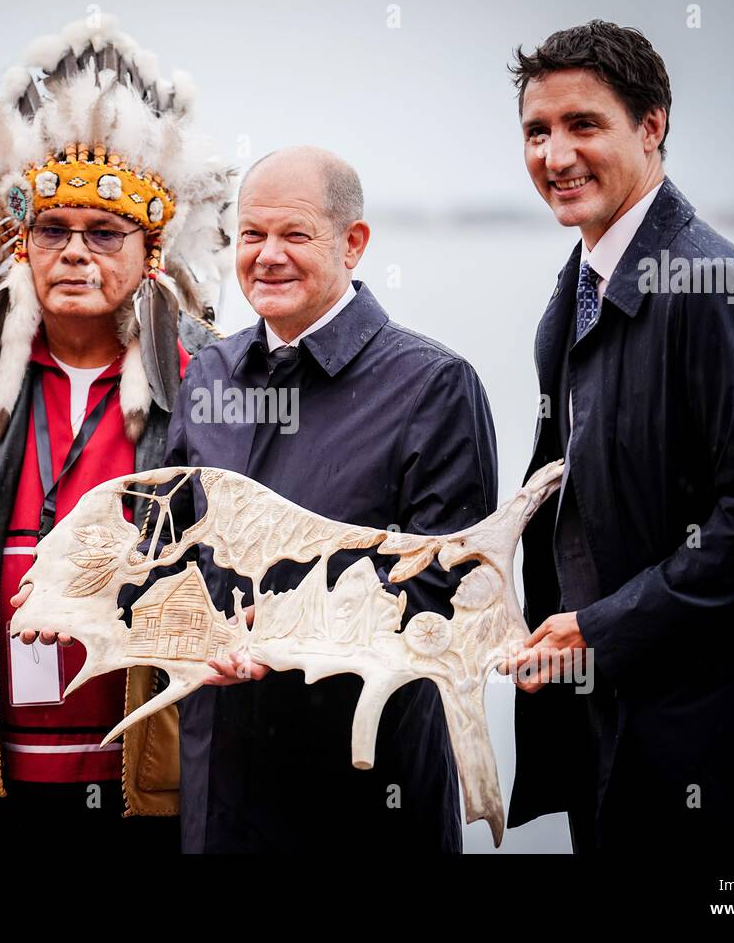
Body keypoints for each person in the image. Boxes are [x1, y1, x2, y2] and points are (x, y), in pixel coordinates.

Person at [0, 14, 234, 852]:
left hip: (159, 778)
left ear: (151, 256)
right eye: (52, 232)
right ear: (18, 248)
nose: (75, 253)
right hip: (1, 781)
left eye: (104, 234)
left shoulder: (209, 384)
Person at [502, 20, 734, 853]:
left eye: (584, 124)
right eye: (536, 131)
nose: (556, 156)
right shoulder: (580, 291)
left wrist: (603, 627)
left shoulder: (715, 287)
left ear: (652, 125)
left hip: (712, 747)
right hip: (606, 726)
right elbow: (565, 488)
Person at [161, 145, 498, 852]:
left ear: (353, 243)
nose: (268, 255)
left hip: (364, 792)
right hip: (218, 784)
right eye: (252, 235)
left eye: (295, 235)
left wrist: (285, 626)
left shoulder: (432, 386)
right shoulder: (211, 374)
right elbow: (166, 544)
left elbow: (448, 586)